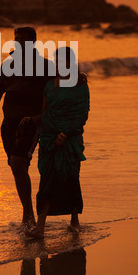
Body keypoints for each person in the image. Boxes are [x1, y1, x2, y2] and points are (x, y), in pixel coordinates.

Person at [0, 27, 55, 228]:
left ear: (33, 42)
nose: (19, 42)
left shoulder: (46, 67)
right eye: (17, 39)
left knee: (17, 164)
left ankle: (29, 215)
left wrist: (38, 119)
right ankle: (28, 213)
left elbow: (52, 98)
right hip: (9, 123)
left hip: (29, 123)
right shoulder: (9, 65)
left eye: (24, 39)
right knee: (17, 167)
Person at [26, 46, 90, 239]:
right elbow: (46, 113)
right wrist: (32, 122)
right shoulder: (49, 85)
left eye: (65, 61)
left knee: (70, 178)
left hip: (70, 140)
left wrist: (65, 134)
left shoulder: (80, 85)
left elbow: (82, 114)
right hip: (48, 140)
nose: (61, 65)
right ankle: (41, 226)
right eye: (58, 61)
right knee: (46, 180)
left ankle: (74, 220)